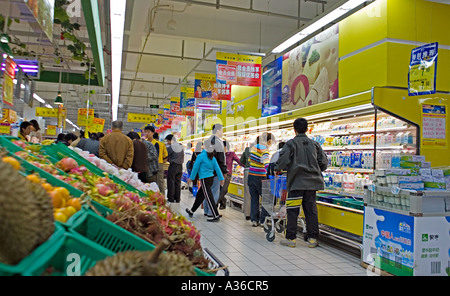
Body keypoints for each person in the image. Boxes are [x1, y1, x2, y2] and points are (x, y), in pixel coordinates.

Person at [275, 118, 328, 248]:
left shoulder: (291, 144)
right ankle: (312, 239)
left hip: (296, 182)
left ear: (294, 129)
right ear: (307, 129)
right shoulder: (315, 144)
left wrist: (278, 168)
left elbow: (283, 161)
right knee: (311, 210)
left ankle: (291, 239)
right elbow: (324, 163)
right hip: (312, 183)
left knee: (293, 210)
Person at [185, 142, 224, 222]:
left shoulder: (200, 156)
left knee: (209, 197)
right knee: (200, 195)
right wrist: (221, 178)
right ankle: (192, 211)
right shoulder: (212, 157)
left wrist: (191, 178)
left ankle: (215, 215)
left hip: (204, 179)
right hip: (211, 178)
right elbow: (217, 168)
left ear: (204, 147)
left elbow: (195, 168)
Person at [248, 132, 274, 227]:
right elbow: (266, 163)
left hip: (251, 175)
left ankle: (254, 220)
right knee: (266, 198)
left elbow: (249, 160)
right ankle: (263, 220)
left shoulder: (254, 147)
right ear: (269, 141)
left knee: (254, 198)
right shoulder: (264, 149)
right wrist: (270, 172)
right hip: (261, 176)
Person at [203, 124, 227, 217]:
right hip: (215, 171)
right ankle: (211, 212)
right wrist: (224, 171)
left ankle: (206, 210)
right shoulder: (219, 142)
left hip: (207, 170)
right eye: (222, 130)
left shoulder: (208, 141)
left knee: (208, 192)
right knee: (215, 192)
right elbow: (221, 159)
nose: (222, 132)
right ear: (217, 131)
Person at [218, 140, 244, 210]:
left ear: (225, 146)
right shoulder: (219, 154)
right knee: (220, 190)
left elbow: (239, 161)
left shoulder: (231, 154)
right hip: (220, 174)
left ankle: (215, 203)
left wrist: (247, 166)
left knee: (224, 190)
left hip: (227, 174)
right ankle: (222, 203)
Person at [143, 126, 168, 193]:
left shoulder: (159, 144)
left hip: (158, 164)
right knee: (149, 182)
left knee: (159, 182)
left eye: (149, 132)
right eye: (145, 132)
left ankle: (162, 197)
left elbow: (164, 156)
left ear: (153, 133)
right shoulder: (144, 143)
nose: (147, 133)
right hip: (147, 165)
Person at [165, 134, 184, 203]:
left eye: (168, 141)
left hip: (173, 166)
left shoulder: (172, 146)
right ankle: (177, 198)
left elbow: (166, 155)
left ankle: (171, 198)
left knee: (171, 182)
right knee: (178, 183)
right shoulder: (180, 146)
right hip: (180, 166)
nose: (167, 142)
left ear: (171, 140)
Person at [240, 141, 255, 220]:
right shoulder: (260, 150)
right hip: (256, 171)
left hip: (247, 171)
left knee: (247, 193)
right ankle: (255, 213)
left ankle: (247, 214)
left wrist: (246, 164)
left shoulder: (247, 150)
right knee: (255, 193)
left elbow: (241, 160)